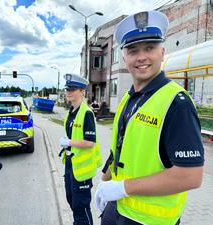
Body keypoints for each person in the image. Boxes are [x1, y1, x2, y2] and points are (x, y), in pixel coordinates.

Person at [95, 10, 204, 225]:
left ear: (162, 52)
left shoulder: (176, 103)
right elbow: (120, 148)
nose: (142, 57)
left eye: (150, 48)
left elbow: (190, 176)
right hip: (117, 209)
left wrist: (122, 188)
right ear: (124, 56)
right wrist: (103, 181)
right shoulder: (128, 98)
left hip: (149, 220)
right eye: (133, 50)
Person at [59, 73, 102, 225]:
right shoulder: (71, 111)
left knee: (81, 207)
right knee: (71, 200)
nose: (69, 92)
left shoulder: (87, 113)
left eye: (73, 89)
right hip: (71, 164)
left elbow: (90, 142)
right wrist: (68, 144)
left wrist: (69, 142)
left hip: (82, 169)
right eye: (67, 89)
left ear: (82, 91)